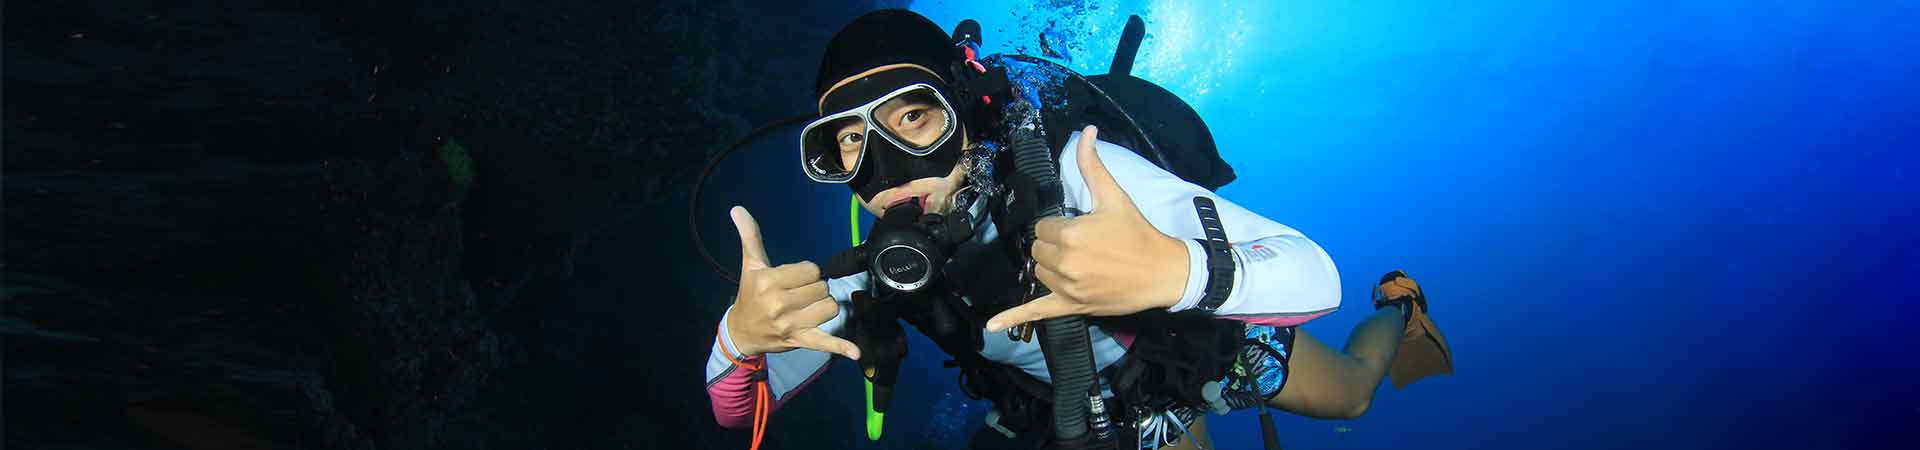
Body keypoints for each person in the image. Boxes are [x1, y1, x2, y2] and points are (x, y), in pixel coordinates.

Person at [705, 9, 1453, 450]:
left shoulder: (1074, 170)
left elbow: (1311, 270)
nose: (887, 167)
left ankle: (1399, 306)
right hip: (1070, 411)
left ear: (965, 111)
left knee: (1353, 396)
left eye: (913, 116)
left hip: (1191, 351)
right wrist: (738, 341)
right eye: (846, 142)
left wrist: (1173, 271)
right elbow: (736, 411)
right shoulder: (874, 272)